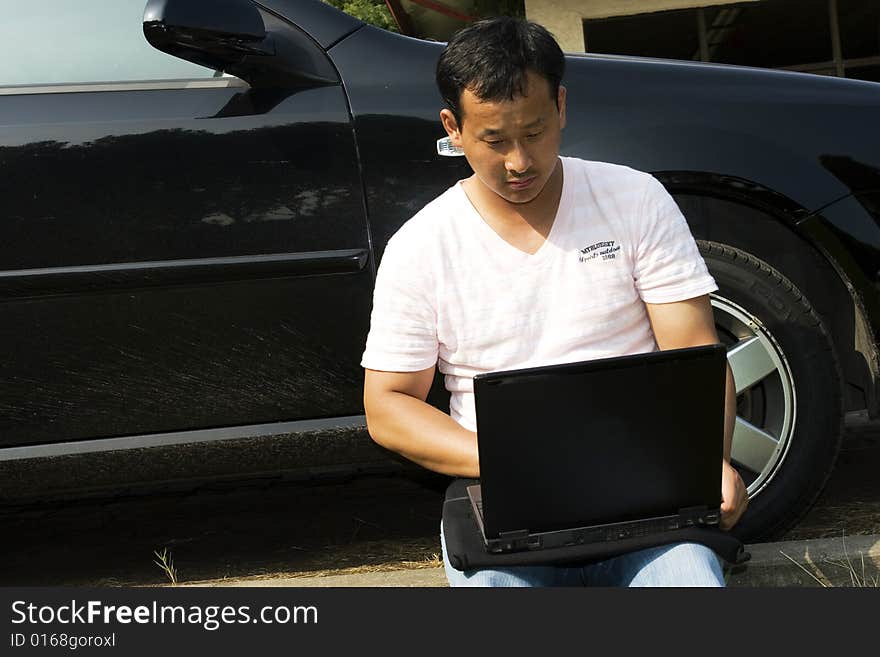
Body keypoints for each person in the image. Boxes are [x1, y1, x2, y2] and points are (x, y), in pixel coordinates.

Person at [360, 16, 748, 587]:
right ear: (454, 127)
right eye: (494, 140)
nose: (520, 162)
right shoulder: (421, 246)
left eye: (535, 132)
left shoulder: (634, 199)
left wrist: (704, 462)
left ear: (561, 106)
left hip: (643, 490)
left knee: (689, 581)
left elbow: (694, 351)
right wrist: (514, 463)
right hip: (505, 497)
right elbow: (388, 406)